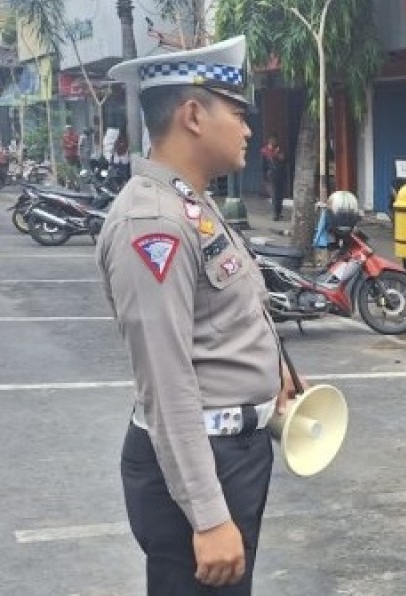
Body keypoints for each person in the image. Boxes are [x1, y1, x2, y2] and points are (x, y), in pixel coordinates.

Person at [95, 35, 305, 595]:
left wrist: (275, 369)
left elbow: (229, 311)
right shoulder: (153, 223)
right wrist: (209, 516)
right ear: (192, 115)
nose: (248, 129)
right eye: (237, 113)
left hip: (234, 453)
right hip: (199, 466)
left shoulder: (194, 203)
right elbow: (165, 380)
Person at [260, 134, 286, 221]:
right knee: (274, 195)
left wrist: (280, 157)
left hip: (281, 175)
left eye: (275, 140)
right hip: (271, 176)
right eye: (272, 141)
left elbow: (285, 160)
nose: (273, 142)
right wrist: (264, 177)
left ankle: (279, 212)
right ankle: (275, 214)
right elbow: (263, 166)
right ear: (269, 141)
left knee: (280, 195)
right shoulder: (265, 151)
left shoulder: (279, 150)